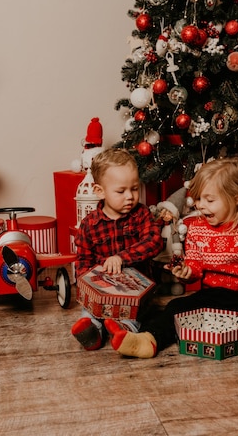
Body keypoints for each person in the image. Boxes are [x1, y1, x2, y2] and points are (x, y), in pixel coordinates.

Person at [104, 157, 238, 375]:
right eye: (198, 199)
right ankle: (147, 340)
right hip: (211, 295)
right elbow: (194, 267)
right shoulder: (196, 229)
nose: (200, 205)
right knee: (174, 308)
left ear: (235, 199)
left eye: (209, 200)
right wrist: (186, 272)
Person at [71, 148, 163, 350]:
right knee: (91, 311)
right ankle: (92, 331)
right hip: (102, 290)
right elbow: (83, 262)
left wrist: (121, 258)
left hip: (135, 294)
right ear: (100, 191)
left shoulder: (141, 215)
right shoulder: (89, 224)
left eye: (135, 188)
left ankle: (122, 330)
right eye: (121, 191)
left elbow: (154, 240)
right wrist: (89, 287)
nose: (130, 196)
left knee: (134, 314)